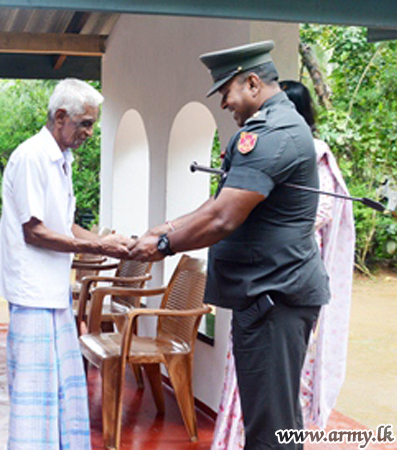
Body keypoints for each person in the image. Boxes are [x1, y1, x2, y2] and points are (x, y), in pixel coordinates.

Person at [129, 41, 330, 449]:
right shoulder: (273, 128)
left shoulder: (272, 134)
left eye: (226, 91)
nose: (223, 103)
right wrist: (166, 228)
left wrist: (164, 245)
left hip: (274, 298)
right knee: (273, 418)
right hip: (268, 296)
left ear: (253, 83)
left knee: (270, 429)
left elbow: (223, 218)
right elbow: (218, 204)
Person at [0, 78, 132, 450]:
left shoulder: (60, 159)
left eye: (92, 124)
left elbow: (63, 226)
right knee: (34, 391)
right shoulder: (32, 157)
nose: (90, 132)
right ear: (61, 116)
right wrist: (98, 244)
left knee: (62, 385)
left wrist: (109, 244)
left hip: (52, 291)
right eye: (85, 123)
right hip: (32, 292)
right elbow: (34, 231)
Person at [211, 80, 356, 448]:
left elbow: (315, 213)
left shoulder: (307, 152)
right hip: (260, 287)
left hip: (282, 282)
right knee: (266, 403)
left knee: (277, 406)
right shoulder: (271, 147)